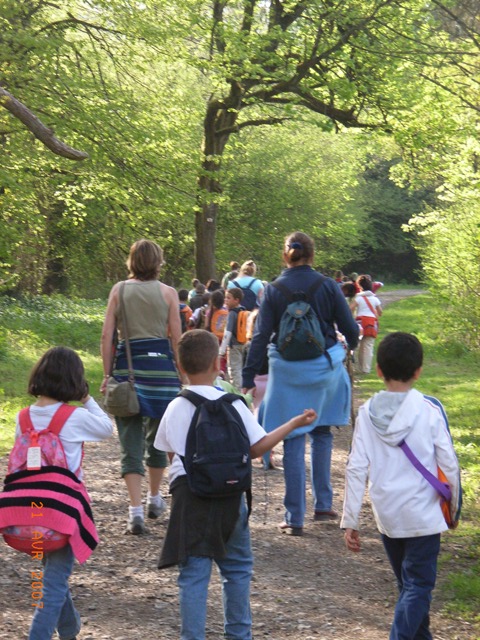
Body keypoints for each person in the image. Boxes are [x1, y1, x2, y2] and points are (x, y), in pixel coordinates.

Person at [154, 330, 317, 640]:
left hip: (191, 500)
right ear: (218, 363)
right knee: (238, 570)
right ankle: (239, 635)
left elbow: (171, 453)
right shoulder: (234, 403)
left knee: (193, 576)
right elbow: (257, 448)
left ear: (180, 366)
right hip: (232, 497)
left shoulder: (177, 405)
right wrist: (294, 423)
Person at [341, 332, 461, 640]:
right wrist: (454, 508)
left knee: (409, 587)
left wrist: (350, 520)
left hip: (388, 516)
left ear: (379, 370)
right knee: (418, 586)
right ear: (419, 371)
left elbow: (356, 467)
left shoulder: (367, 414)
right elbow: (449, 463)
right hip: (424, 514)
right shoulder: (430, 410)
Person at [242, 231, 359, 535]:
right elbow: (350, 330)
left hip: (288, 372)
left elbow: (260, 335)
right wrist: (349, 344)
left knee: (293, 437)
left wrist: (248, 376)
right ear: (312, 255)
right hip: (324, 370)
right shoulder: (329, 286)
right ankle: (324, 504)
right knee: (321, 432)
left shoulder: (273, 290)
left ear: (286, 256)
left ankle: (294, 517)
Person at [2, 346, 113, 640]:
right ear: (73, 381)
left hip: (27, 513)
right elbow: (106, 428)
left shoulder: (22, 417)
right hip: (60, 515)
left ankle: (69, 628)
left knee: (50, 573)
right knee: (52, 583)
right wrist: (87, 398)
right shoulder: (73, 417)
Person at [100, 239, 182, 534]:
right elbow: (177, 339)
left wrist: (108, 374)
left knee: (129, 442)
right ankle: (155, 497)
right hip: (162, 375)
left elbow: (107, 336)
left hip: (127, 372)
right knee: (159, 439)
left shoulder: (119, 291)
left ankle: (134, 510)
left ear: (131, 262)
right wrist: (183, 377)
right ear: (158, 261)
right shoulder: (169, 293)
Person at [351, 274, 383, 374]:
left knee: (358, 345)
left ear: (360, 287)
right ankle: (365, 369)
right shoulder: (375, 299)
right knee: (368, 346)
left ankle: (358, 366)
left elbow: (349, 309)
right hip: (371, 324)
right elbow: (380, 312)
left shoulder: (358, 298)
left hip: (360, 323)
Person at [219, 287, 247, 391]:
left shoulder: (232, 313)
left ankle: (236, 392)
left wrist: (221, 350)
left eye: (228, 298)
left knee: (234, 370)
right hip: (243, 343)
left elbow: (228, 332)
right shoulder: (243, 310)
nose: (226, 300)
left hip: (233, 346)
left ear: (236, 300)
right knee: (241, 369)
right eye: (225, 298)